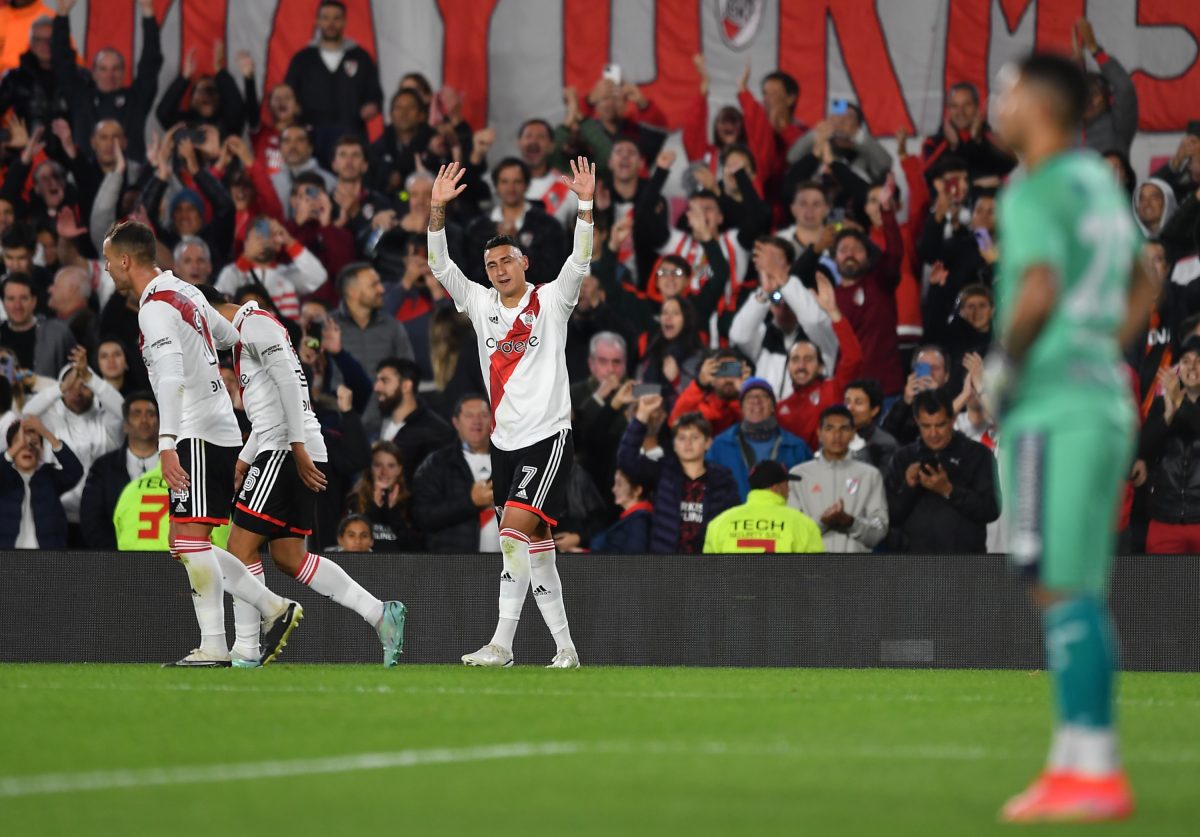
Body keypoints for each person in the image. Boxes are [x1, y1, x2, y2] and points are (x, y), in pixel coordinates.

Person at [983, 53, 1155, 821]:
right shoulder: (1097, 181)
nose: (998, 103)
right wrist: (1096, 348)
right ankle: (1086, 762)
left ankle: (1087, 766)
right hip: (1102, 399)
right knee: (1078, 586)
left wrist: (1009, 365)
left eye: (1007, 91)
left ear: (1039, 108)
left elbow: (1041, 285)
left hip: (1051, 408)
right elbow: (1145, 277)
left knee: (1054, 585)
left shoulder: (1035, 187)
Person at [101, 220, 301, 668]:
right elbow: (229, 336)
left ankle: (265, 613)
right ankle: (226, 636)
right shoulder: (186, 290)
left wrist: (167, 442)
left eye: (110, 261)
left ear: (127, 260)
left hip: (195, 430)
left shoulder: (153, 307)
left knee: (189, 541)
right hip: (219, 427)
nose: (108, 269)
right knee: (186, 540)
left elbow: (171, 375)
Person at [426, 158, 596, 669]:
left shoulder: (552, 300)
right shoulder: (480, 305)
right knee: (537, 547)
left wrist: (585, 204)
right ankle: (565, 649)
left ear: (524, 262)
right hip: (505, 443)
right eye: (492, 266)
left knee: (511, 536)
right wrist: (436, 209)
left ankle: (502, 643)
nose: (499, 271)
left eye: (507, 261)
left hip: (548, 436)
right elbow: (439, 266)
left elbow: (581, 258)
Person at [206, 289, 406, 668]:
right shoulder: (248, 332)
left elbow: (293, 387)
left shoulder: (255, 325)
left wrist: (295, 446)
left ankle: (246, 650)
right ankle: (381, 613)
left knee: (239, 548)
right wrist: (246, 458)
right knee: (289, 557)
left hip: (285, 448)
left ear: (209, 310)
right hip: (283, 444)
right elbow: (270, 405)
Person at [20, 346, 124, 533]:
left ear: (93, 389)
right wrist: (60, 388)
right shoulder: (51, 421)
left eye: (83, 385)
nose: (77, 390)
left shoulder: (107, 420)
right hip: (58, 516)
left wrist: (91, 378)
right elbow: (25, 415)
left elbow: (123, 411)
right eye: (70, 385)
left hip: (104, 516)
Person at [618, 398, 739, 554]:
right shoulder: (662, 471)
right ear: (674, 444)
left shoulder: (723, 480)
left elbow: (732, 524)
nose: (688, 443)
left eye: (695, 437)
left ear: (708, 442)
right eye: (681, 438)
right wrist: (642, 415)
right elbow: (626, 460)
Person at [885, 388, 998, 553]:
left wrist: (948, 490)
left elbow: (991, 509)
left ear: (952, 420)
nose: (933, 433)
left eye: (940, 424)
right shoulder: (902, 458)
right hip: (915, 567)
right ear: (917, 421)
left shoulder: (978, 455)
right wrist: (908, 487)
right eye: (926, 426)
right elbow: (890, 517)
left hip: (965, 567)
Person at [283, 0, 382, 161]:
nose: (331, 23)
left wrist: (371, 107)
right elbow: (289, 95)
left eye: (336, 18)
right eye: (326, 18)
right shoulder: (302, 59)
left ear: (345, 21)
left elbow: (375, 96)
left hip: (352, 138)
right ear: (317, 21)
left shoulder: (361, 57)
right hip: (311, 140)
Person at [775, 277, 864, 448]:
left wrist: (833, 312)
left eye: (808, 359)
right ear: (788, 367)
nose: (801, 366)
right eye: (795, 360)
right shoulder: (780, 409)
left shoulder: (833, 389)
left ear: (820, 366)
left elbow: (854, 358)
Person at [789, 406, 888, 553]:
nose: (836, 435)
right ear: (819, 433)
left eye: (844, 429)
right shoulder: (798, 475)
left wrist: (851, 523)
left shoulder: (870, 475)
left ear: (853, 433)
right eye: (829, 428)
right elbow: (792, 532)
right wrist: (823, 522)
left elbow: (879, 532)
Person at [410, 394, 499, 554]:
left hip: (508, 566)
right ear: (456, 422)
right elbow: (422, 516)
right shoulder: (436, 464)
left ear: (493, 421)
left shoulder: (509, 462)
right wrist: (470, 502)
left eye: (483, 415)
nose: (477, 421)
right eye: (469, 415)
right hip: (455, 567)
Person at [1138, 339, 1200, 553]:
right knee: (1165, 587)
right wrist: (1166, 415)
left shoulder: (1176, 399)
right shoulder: (1162, 404)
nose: (1192, 367)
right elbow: (1142, 450)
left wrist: (1179, 402)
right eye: (1186, 360)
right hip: (1165, 519)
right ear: (1177, 368)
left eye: (1199, 361)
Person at [79, 391, 158, 549]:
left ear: (160, 424)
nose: (144, 420)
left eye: (150, 414)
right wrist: (117, 557)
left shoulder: (179, 467)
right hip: (116, 563)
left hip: (169, 560)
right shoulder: (103, 468)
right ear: (125, 426)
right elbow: (91, 521)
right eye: (136, 414)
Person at [708, 378, 811, 499]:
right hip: (734, 517)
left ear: (773, 407)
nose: (756, 401)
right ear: (741, 408)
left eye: (763, 396)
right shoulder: (720, 446)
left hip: (780, 516)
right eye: (749, 397)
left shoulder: (797, 447)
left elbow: (808, 491)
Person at [214, 216, 327, 320]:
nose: (263, 241)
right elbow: (217, 305)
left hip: (286, 339)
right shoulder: (233, 273)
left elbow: (318, 276)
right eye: (258, 237)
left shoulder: (286, 274)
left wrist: (288, 241)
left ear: (278, 244)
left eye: (268, 236)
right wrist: (246, 258)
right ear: (246, 243)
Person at [703, 460, 823, 554]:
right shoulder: (804, 525)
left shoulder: (718, 524)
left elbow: (709, 576)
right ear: (776, 488)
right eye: (786, 485)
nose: (789, 490)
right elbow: (815, 576)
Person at [0, 414, 81, 548]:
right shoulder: (4, 476)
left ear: (42, 450)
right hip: (7, 559)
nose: (27, 448)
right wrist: (16, 446)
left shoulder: (50, 477)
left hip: (48, 559)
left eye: (34, 443)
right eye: (20, 443)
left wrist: (45, 433)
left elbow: (75, 471)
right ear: (11, 449)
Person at [372, 356, 454, 477]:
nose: (376, 387)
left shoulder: (435, 432)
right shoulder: (378, 424)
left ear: (406, 386)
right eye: (377, 381)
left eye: (385, 381)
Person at [345, 440, 420, 548]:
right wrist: (373, 508)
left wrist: (392, 512)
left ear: (399, 469)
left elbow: (414, 546)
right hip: (363, 563)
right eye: (378, 465)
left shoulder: (410, 501)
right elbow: (352, 543)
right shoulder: (354, 499)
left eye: (391, 466)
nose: (384, 472)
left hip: (401, 563)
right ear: (370, 468)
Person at [1, 272, 75, 378]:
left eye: (23, 298)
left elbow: (77, 372)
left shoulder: (57, 333)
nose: (17, 306)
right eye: (11, 299)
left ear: (34, 301)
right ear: (3, 303)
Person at [589, 468, 652, 553]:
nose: (613, 489)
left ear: (637, 490)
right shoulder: (632, 517)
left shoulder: (639, 522)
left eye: (619, 484)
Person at [844, 378, 899, 469]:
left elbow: (881, 480)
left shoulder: (886, 445)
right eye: (847, 402)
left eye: (858, 402)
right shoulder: (833, 437)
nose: (850, 408)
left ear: (874, 410)